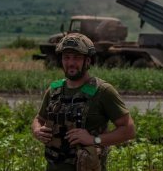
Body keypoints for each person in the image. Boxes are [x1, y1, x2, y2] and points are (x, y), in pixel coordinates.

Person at [32, 33, 135, 171]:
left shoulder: (103, 91)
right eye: (66, 57)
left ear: (88, 61)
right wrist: (37, 130)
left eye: (77, 58)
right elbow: (39, 119)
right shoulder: (54, 89)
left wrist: (94, 140)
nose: (71, 63)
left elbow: (128, 130)